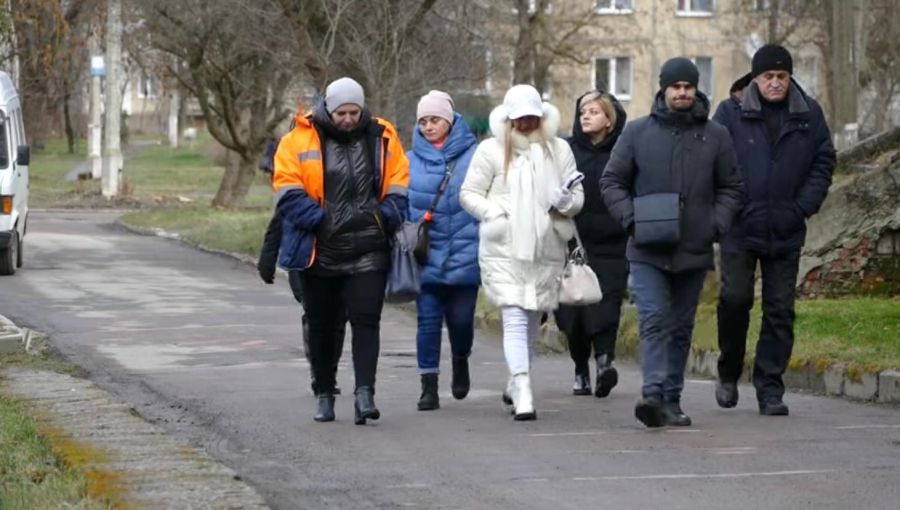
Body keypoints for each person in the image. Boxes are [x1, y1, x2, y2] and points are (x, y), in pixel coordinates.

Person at [600, 58, 743, 428]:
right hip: (647, 248)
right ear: (663, 89)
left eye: (688, 86)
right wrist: (632, 220)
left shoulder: (716, 136)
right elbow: (612, 181)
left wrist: (715, 224)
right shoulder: (636, 133)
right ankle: (652, 394)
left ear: (696, 89)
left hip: (694, 248)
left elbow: (731, 187)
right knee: (653, 318)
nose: (682, 92)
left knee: (680, 326)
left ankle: (672, 400)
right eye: (675, 86)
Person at [272, 77, 409, 425]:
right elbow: (286, 189)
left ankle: (365, 393)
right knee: (321, 325)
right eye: (341, 112)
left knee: (367, 322)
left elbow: (399, 183)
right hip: (320, 251)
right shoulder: (297, 140)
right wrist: (320, 222)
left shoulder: (383, 136)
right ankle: (324, 391)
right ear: (328, 110)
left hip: (369, 249)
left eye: (354, 111)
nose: (348, 119)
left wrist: (382, 219)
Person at [713, 45, 835, 416]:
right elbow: (716, 162)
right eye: (768, 76)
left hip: (785, 227)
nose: (776, 83)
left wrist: (802, 207)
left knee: (780, 309)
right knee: (736, 300)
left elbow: (823, 160)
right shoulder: (730, 113)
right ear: (755, 78)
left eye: (782, 76)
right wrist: (730, 206)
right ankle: (729, 370)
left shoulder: (808, 113)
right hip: (740, 226)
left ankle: (770, 387)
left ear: (790, 77)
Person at [460, 84, 584, 421]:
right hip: (505, 247)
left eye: (532, 117)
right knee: (514, 316)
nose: (526, 124)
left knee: (531, 319)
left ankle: (516, 381)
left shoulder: (559, 150)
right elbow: (469, 194)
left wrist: (565, 201)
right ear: (509, 118)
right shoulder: (490, 150)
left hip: (546, 247)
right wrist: (494, 214)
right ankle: (524, 386)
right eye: (519, 118)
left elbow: (577, 197)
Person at [407, 91, 480, 411]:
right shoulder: (408, 159)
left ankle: (461, 357)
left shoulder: (476, 155)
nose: (428, 126)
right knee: (427, 321)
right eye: (422, 121)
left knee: (462, 321)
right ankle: (429, 387)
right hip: (426, 254)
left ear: (449, 121)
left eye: (434, 119)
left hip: (466, 250)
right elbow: (400, 202)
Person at [554, 90, 628, 398]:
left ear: (609, 120)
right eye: (583, 110)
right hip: (572, 243)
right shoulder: (567, 151)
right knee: (574, 313)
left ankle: (604, 364)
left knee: (606, 305)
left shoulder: (624, 150)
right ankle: (580, 367)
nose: (586, 116)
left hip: (613, 242)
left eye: (594, 111)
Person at [257, 209, 346, 396]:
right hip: (302, 260)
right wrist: (267, 258)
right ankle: (319, 374)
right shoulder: (298, 185)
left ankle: (329, 371)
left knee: (338, 317)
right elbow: (280, 220)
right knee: (315, 315)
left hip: (338, 258)